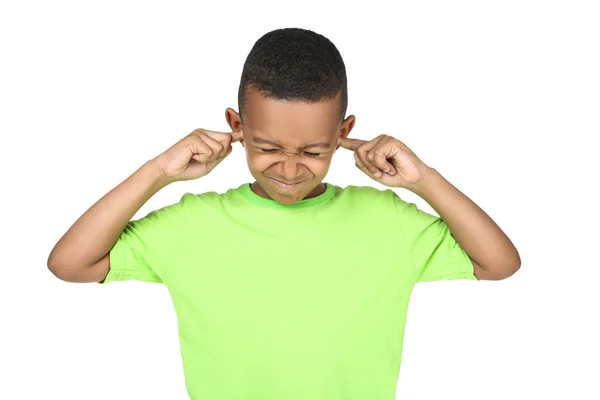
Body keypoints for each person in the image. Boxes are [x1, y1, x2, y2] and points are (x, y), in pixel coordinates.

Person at [47, 27, 521, 399]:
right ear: (236, 126)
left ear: (344, 132)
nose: (291, 169)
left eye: (314, 150)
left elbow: (498, 263)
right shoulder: (192, 223)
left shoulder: (387, 219)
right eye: (268, 146)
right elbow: (70, 264)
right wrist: (157, 173)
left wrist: (423, 180)